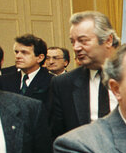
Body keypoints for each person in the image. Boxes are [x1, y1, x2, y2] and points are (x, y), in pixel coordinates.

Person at [48, 11, 119, 139]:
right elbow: (57, 136)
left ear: (108, 40)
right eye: (72, 42)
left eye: (83, 41)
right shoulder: (63, 84)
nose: (76, 47)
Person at [0, 34, 52, 103]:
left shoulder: (51, 81)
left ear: (40, 58)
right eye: (16, 52)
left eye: (24, 53)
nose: (18, 56)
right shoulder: (3, 81)